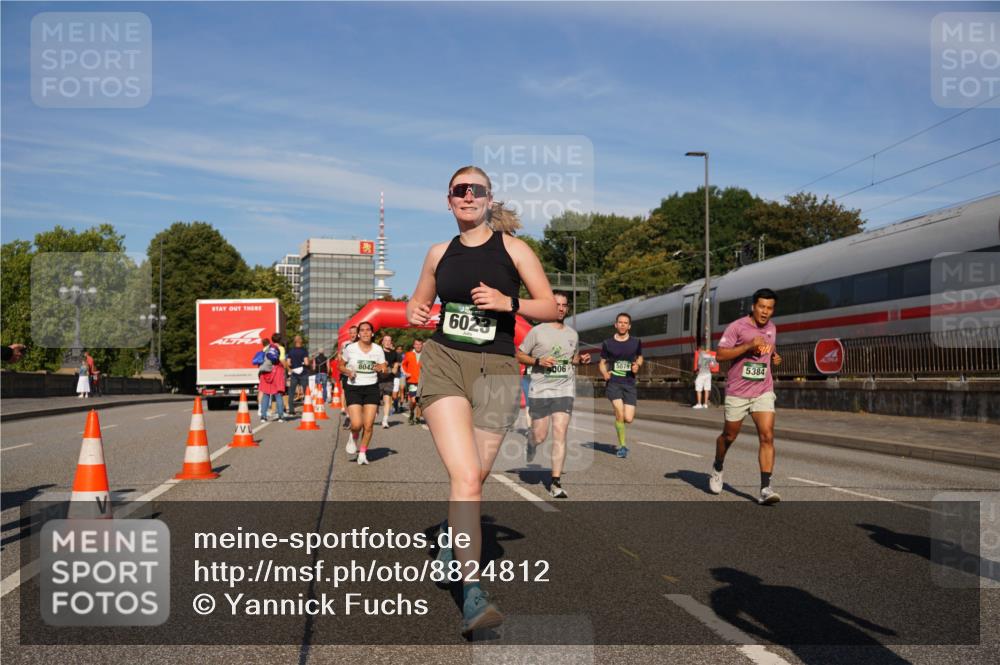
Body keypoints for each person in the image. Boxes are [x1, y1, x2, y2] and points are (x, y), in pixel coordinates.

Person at [406, 165, 557, 636]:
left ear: (489, 199)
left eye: (477, 190)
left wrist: (508, 303)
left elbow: (550, 306)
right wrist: (415, 312)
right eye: (460, 190)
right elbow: (417, 306)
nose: (468, 196)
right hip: (445, 362)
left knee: (476, 476)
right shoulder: (438, 253)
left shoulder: (514, 250)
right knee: (467, 476)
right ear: (448, 199)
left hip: (498, 369)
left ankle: (450, 541)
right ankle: (473, 594)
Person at [709, 288, 783, 505]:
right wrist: (748, 346)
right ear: (753, 307)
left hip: (763, 390)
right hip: (738, 392)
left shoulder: (772, 328)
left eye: (770, 308)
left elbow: (770, 348)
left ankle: (765, 488)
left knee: (767, 435)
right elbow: (720, 355)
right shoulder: (737, 327)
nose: (765, 312)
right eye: (761, 307)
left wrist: (775, 356)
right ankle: (718, 465)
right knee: (729, 436)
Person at [515, 291, 591, 498]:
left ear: (568, 308)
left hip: (564, 390)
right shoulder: (537, 331)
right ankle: (531, 442)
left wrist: (580, 360)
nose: (561, 308)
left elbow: (571, 359)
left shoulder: (572, 334)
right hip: (541, 389)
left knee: (560, 432)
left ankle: (555, 482)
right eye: (557, 304)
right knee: (540, 435)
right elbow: (519, 354)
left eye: (564, 305)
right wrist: (538, 361)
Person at [339, 321, 387, 465]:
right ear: (358, 334)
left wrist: (381, 368)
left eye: (368, 330)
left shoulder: (378, 349)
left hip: (371, 388)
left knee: (369, 425)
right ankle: (353, 436)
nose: (365, 332)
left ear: (372, 333)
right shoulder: (350, 348)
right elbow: (340, 366)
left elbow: (384, 368)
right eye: (362, 330)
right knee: (356, 424)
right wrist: (348, 371)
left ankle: (362, 453)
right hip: (354, 388)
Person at [599, 313, 643, 458]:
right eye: (620, 322)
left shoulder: (636, 342)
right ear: (616, 324)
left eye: (625, 323)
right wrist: (604, 373)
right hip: (614, 383)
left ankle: (619, 422)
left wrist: (637, 365)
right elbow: (602, 363)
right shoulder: (607, 343)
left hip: (629, 383)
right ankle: (623, 446)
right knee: (619, 411)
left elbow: (640, 357)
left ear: (629, 326)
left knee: (628, 418)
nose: (623, 325)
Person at [258, 334, 287, 423]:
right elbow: (282, 360)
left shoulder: (266, 348)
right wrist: (287, 368)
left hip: (266, 372)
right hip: (277, 372)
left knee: (266, 394)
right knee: (278, 394)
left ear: (272, 340)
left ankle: (263, 416)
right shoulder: (281, 348)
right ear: (280, 340)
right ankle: (280, 416)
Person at [377, 334, 401, 429]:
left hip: (389, 379)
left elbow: (396, 366)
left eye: (389, 340)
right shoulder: (377, 351)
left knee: (387, 399)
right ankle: (375, 411)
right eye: (385, 340)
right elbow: (374, 365)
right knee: (375, 400)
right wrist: (382, 366)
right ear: (382, 342)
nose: (387, 342)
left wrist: (393, 368)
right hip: (377, 379)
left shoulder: (395, 353)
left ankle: (385, 420)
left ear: (391, 342)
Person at [400, 339, 424, 426]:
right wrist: (406, 373)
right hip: (412, 381)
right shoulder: (409, 354)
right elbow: (403, 365)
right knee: (413, 401)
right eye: (416, 344)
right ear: (413, 345)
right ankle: (411, 413)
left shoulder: (425, 355)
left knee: (420, 401)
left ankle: (417, 417)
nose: (418, 346)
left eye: (420, 344)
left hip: (422, 381)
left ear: (422, 345)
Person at [339, 325, 359, 429]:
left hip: (359, 375)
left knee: (358, 396)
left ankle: (357, 416)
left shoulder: (361, 344)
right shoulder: (345, 344)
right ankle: (348, 416)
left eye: (354, 332)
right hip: (346, 374)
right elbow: (339, 356)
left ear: (358, 333)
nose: (353, 335)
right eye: (351, 333)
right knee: (348, 396)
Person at [286, 336, 309, 414]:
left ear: (294, 342)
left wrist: (292, 366)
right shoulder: (304, 351)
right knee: (306, 391)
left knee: (292, 392)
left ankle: (291, 410)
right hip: (303, 373)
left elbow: (288, 363)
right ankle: (307, 408)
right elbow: (306, 363)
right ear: (300, 341)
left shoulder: (291, 351)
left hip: (294, 373)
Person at [393, 344, 405, 414]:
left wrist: (401, 364)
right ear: (396, 349)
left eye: (400, 349)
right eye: (398, 349)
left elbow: (405, 364)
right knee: (396, 392)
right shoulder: (394, 355)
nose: (399, 350)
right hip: (396, 375)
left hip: (402, 374)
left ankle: (401, 406)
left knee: (402, 390)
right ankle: (395, 405)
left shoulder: (404, 356)